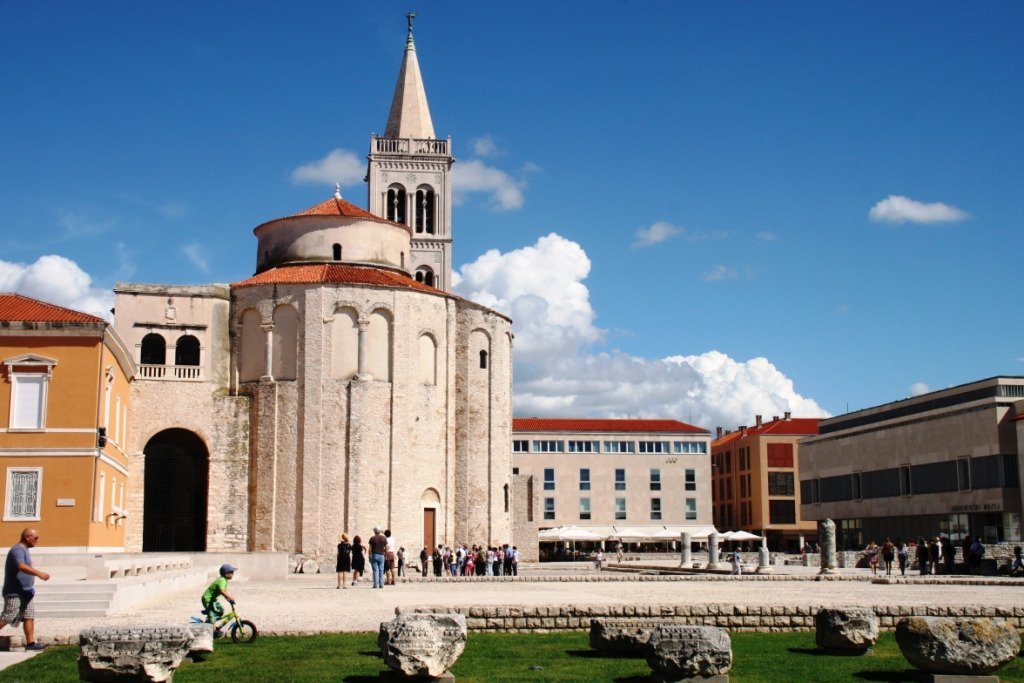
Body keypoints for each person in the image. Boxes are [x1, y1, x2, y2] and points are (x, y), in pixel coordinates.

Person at [0, 528, 50, 650]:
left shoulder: (24, 550)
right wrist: (39, 573)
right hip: (15, 591)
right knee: (8, 616)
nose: (37, 540)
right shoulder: (17, 549)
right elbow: (21, 566)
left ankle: (31, 643)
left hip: (26, 591)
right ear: (27, 537)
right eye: (35, 538)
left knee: (29, 616)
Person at [201, 564, 237, 636]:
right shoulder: (222, 580)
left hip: (213, 600)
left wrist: (229, 600)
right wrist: (230, 597)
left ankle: (210, 622)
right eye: (232, 572)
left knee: (221, 610)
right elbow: (222, 591)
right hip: (207, 599)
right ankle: (213, 630)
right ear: (226, 574)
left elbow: (224, 593)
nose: (233, 574)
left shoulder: (224, 580)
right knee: (213, 614)